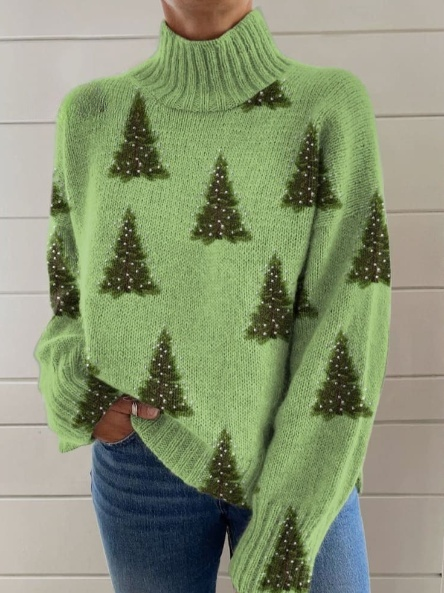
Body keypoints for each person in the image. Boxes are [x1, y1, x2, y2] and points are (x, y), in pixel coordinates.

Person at [34, 1, 392, 592]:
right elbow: (67, 297)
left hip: (302, 456)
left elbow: (352, 315)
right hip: (143, 459)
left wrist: (289, 520)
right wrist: (77, 389)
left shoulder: (329, 105)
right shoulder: (91, 113)